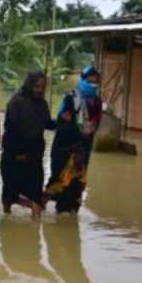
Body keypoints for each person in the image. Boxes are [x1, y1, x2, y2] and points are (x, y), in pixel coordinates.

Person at [44, 66, 103, 214]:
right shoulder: (71, 97)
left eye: (96, 83)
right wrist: (78, 126)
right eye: (89, 82)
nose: (92, 86)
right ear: (82, 80)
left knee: (77, 184)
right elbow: (62, 121)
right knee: (58, 180)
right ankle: (43, 207)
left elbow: (95, 124)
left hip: (83, 150)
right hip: (64, 148)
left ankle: (71, 215)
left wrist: (89, 129)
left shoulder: (96, 101)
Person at [0, 72, 55, 219]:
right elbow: (10, 129)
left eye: (43, 87)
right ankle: (6, 221)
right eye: (37, 86)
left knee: (36, 192)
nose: (39, 90)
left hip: (35, 155)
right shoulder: (16, 102)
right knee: (9, 194)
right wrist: (18, 153)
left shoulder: (43, 104)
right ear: (30, 85)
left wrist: (62, 122)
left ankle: (35, 227)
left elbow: (48, 123)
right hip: (14, 155)